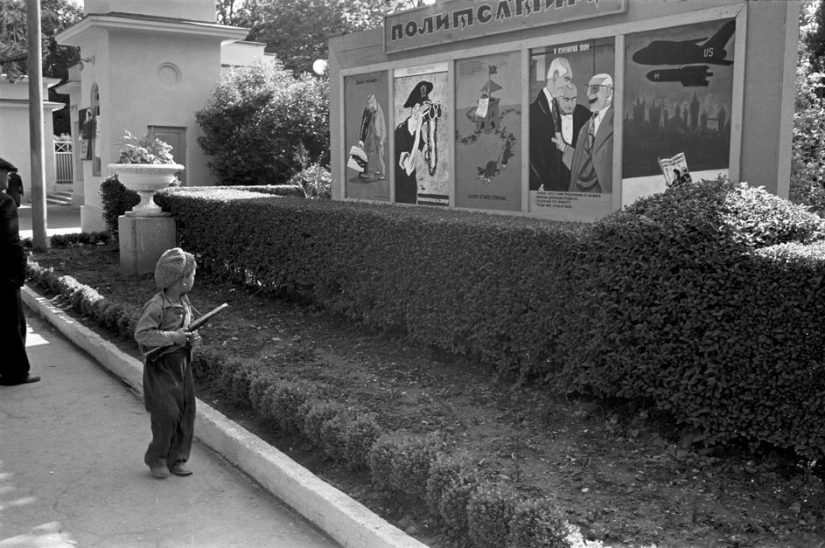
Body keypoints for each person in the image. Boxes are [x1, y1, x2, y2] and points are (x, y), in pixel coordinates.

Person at [135, 247, 202, 479]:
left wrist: (191, 338)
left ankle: (178, 458)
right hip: (161, 369)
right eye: (192, 276)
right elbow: (142, 334)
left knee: (186, 413)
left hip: (182, 366)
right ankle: (157, 458)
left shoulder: (184, 302)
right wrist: (173, 337)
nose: (194, 279)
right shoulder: (156, 306)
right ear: (181, 280)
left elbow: (186, 331)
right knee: (167, 414)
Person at [0, 157, 40, 386]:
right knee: (11, 323)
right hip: (4, 275)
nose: (8, 178)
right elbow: (11, 241)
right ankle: (15, 372)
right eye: (4, 174)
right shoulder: (4, 202)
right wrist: (19, 272)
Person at [529, 57, 577, 192]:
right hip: (543, 191)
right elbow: (525, 153)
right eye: (567, 79)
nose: (569, 85)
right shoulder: (532, 112)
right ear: (555, 77)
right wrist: (537, 185)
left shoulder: (564, 109)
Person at [568, 73, 614, 194]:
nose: (588, 93)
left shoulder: (617, 122)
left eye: (594, 89)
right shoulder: (585, 128)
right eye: (587, 89)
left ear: (608, 91)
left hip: (603, 196)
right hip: (579, 196)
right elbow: (579, 163)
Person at [395, 80, 435, 204]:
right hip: (399, 184)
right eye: (424, 109)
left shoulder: (417, 129)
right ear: (415, 109)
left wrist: (432, 128)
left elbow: (426, 154)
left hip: (411, 185)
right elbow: (408, 167)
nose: (426, 114)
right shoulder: (401, 132)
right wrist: (418, 128)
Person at [550, 84, 594, 190]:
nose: (571, 104)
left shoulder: (586, 116)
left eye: (574, 99)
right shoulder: (548, 119)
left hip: (579, 185)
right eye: (566, 99)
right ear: (556, 99)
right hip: (553, 185)